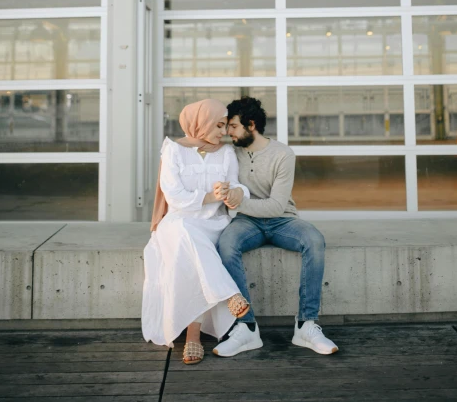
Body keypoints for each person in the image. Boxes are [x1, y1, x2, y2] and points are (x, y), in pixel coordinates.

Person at [214, 96, 338, 358]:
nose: (228, 132)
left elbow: (275, 207)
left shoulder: (282, 154)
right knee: (226, 244)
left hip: (283, 220)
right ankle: (246, 326)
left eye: (233, 126)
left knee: (314, 240)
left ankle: (306, 325)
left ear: (251, 125)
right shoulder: (230, 153)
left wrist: (240, 202)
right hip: (246, 223)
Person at [142, 98, 251, 364]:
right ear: (200, 123)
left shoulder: (225, 153)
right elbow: (175, 196)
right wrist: (211, 197)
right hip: (177, 220)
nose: (224, 132)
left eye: (225, 126)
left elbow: (238, 187)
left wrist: (232, 193)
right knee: (185, 235)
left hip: (214, 223)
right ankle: (225, 296)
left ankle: (194, 335)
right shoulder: (174, 150)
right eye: (219, 125)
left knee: (191, 245)